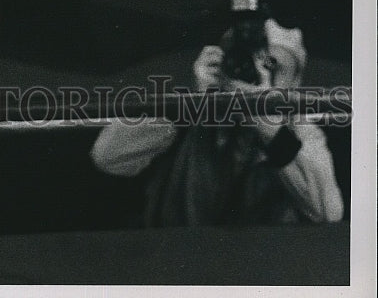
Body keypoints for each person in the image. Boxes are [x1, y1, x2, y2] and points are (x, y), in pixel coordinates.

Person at [89, 13, 344, 226]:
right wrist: (189, 103)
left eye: (273, 66)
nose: (255, 73)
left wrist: (268, 127)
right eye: (246, 62)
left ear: (295, 84)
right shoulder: (194, 112)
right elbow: (107, 157)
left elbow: (328, 213)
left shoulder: (299, 130)